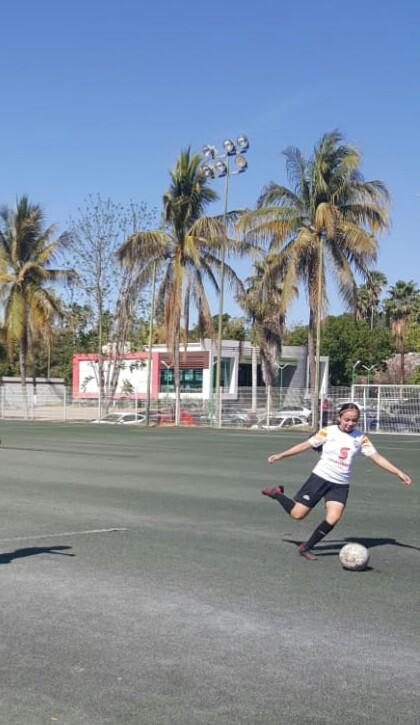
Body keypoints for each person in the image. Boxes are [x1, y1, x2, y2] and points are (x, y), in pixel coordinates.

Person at [262, 403, 412, 560]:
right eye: (347, 419)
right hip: (320, 478)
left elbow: (377, 457)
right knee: (298, 515)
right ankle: (277, 494)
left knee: (333, 517)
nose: (350, 423)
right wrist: (281, 455)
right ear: (339, 417)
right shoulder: (328, 432)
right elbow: (305, 445)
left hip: (340, 485)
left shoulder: (361, 438)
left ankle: (306, 547)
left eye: (354, 420)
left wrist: (398, 472)